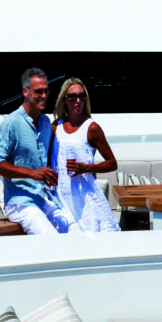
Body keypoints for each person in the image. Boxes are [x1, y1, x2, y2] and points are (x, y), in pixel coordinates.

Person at [0, 66, 79, 236]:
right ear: (25, 91)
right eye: (39, 92)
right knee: (50, 239)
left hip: (46, 198)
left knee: (77, 233)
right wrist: (33, 173)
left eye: (46, 91)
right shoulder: (11, 123)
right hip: (20, 202)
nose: (44, 96)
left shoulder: (45, 123)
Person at [50, 78, 119, 233]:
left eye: (82, 96)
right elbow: (48, 159)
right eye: (73, 97)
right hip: (61, 194)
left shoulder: (92, 128)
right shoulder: (55, 127)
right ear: (65, 100)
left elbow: (112, 163)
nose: (78, 100)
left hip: (85, 197)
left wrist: (87, 168)